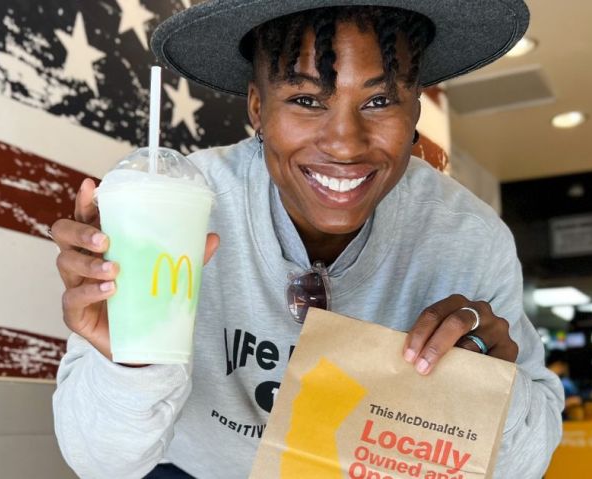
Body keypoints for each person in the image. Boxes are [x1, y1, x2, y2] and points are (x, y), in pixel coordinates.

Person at [49, 2, 564, 478]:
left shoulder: (468, 239)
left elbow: (525, 463)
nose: (344, 143)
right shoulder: (176, 211)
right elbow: (103, 462)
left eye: (380, 99)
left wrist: (496, 392)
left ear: (415, 114)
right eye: (305, 99)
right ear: (257, 108)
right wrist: (131, 365)